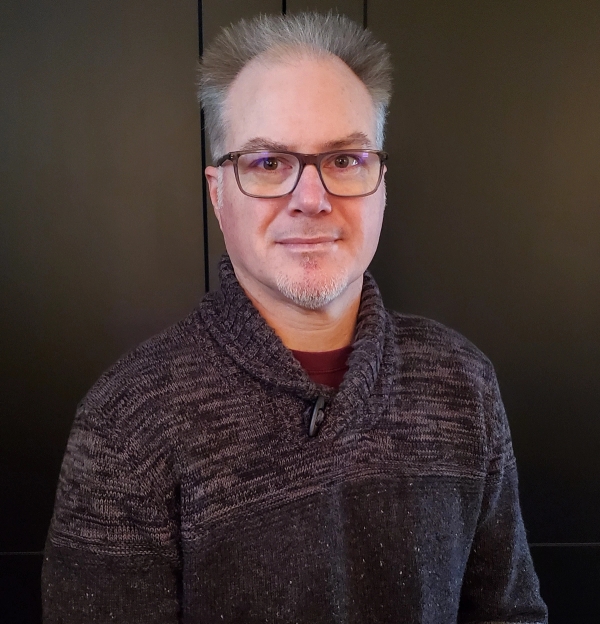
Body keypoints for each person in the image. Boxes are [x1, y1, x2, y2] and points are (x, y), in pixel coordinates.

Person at [42, 12, 548, 623]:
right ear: (217, 192)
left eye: (345, 160)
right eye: (267, 163)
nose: (311, 199)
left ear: (381, 183)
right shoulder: (127, 421)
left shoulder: (463, 382)